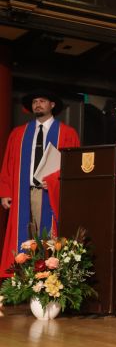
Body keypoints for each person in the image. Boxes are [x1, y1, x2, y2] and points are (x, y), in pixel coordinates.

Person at [0, 90, 80, 277]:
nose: (38, 104)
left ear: (52, 105)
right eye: (35, 101)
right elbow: (8, 164)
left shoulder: (66, 133)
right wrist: (5, 191)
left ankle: (48, 280)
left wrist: (56, 182)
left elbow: (73, 166)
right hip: (23, 193)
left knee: (47, 238)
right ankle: (21, 281)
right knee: (25, 238)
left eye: (42, 101)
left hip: (50, 194)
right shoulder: (19, 134)